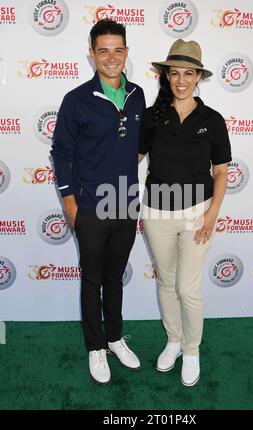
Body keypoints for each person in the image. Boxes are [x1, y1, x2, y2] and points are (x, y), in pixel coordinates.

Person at [51, 19, 145, 385]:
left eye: (117, 49)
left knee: (115, 277)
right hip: (90, 208)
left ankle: (115, 337)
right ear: (91, 54)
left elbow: (137, 146)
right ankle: (95, 346)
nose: (111, 57)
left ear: (126, 52)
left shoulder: (137, 94)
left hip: (126, 205)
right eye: (103, 50)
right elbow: (60, 154)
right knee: (92, 281)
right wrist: (71, 205)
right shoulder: (75, 100)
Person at [138, 39, 232, 387]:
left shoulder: (213, 120)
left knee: (187, 287)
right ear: (165, 76)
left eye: (188, 73)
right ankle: (174, 341)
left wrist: (212, 213)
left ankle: (191, 350)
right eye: (174, 73)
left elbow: (221, 171)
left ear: (198, 77)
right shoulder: (151, 117)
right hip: (155, 212)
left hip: (198, 212)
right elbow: (131, 159)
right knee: (165, 281)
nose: (180, 80)